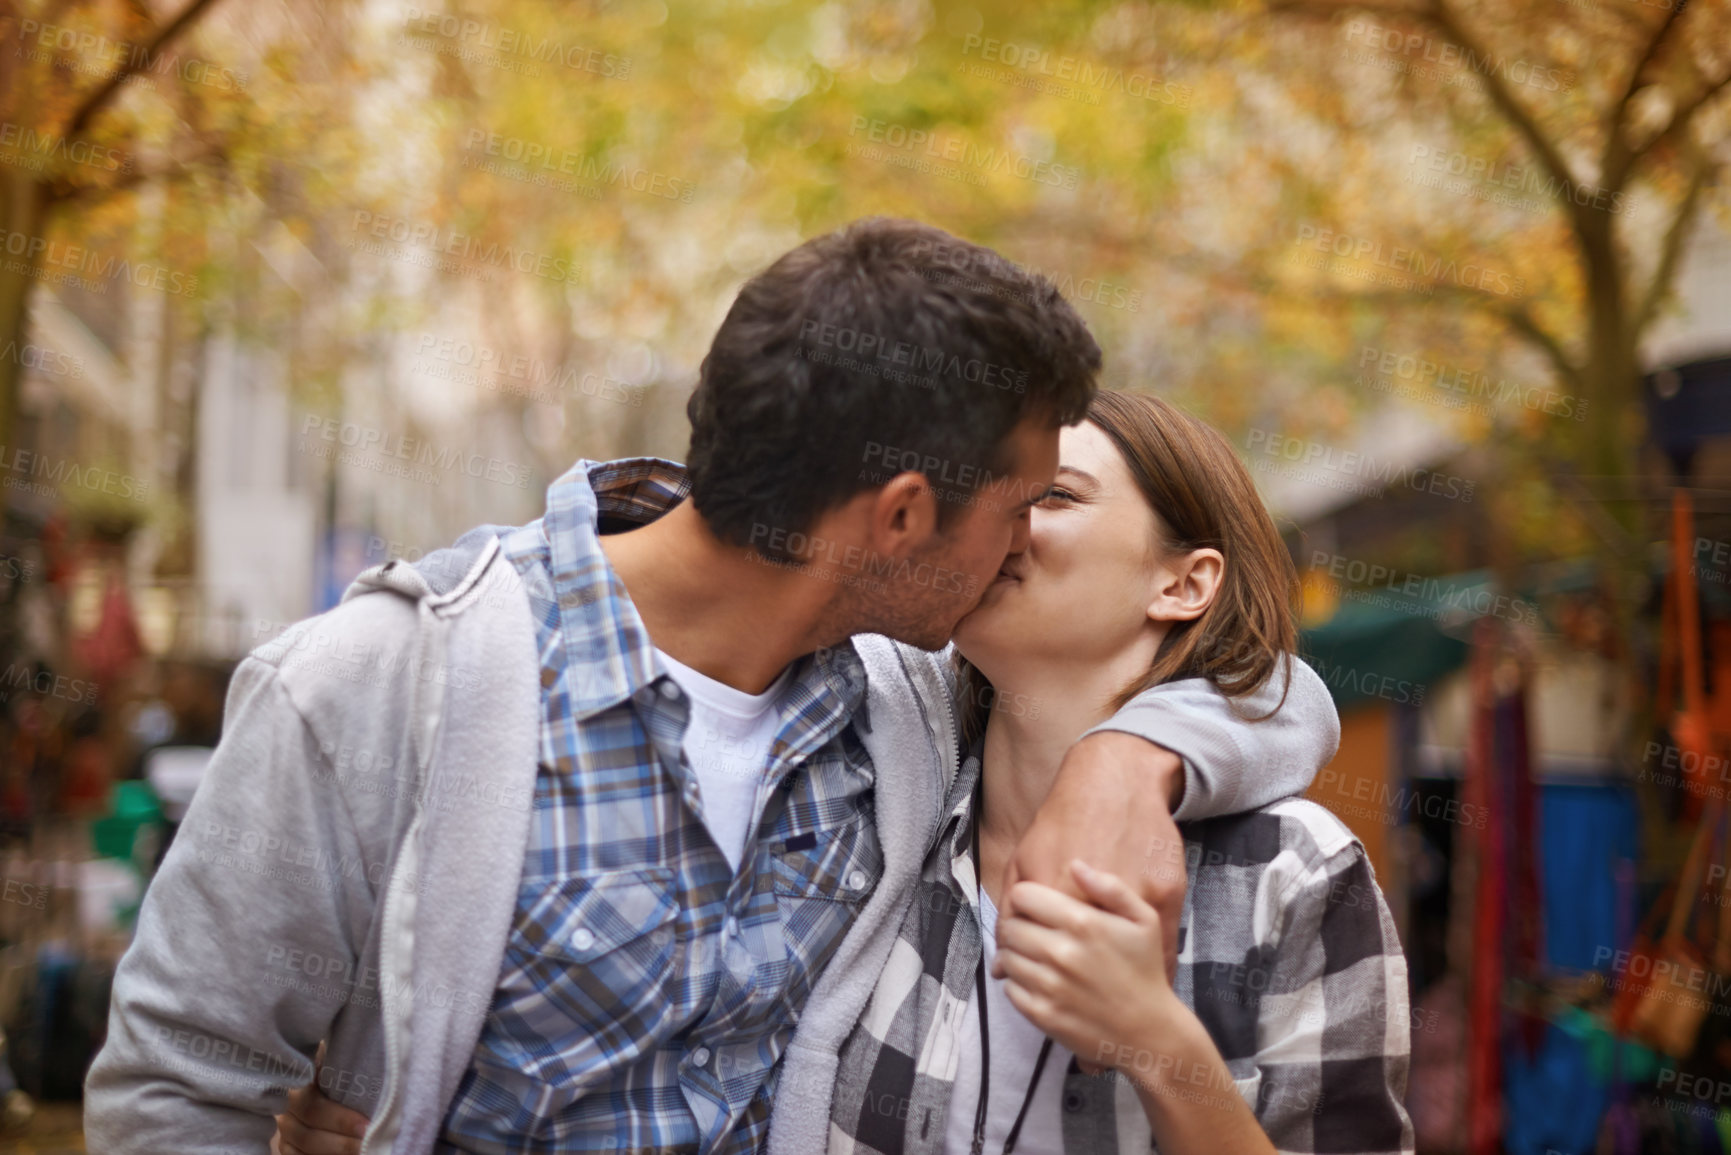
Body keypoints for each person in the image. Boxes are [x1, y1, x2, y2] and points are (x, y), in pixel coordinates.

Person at [87, 219, 1338, 1154]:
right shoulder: (376, 686)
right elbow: (178, 1082)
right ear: (904, 514)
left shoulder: (906, 699)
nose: (1023, 549)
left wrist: (1131, 760)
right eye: (1019, 509)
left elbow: (1261, 680)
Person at [796, 391, 1412, 1155]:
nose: (1000, 526)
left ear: (1183, 584)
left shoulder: (1293, 871)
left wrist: (1154, 1039)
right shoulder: (880, 805)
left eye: (1053, 495)